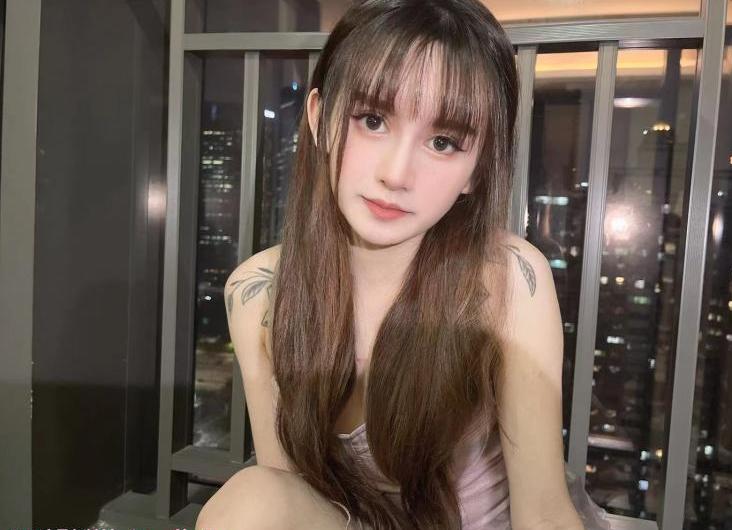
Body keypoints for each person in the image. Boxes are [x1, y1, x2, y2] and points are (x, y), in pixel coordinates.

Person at [196, 0, 609, 528]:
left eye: (443, 142)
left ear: (476, 170)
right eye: (372, 120)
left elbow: (544, 515)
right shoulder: (256, 293)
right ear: (319, 118)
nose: (396, 173)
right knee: (251, 501)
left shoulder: (508, 279)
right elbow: (288, 492)